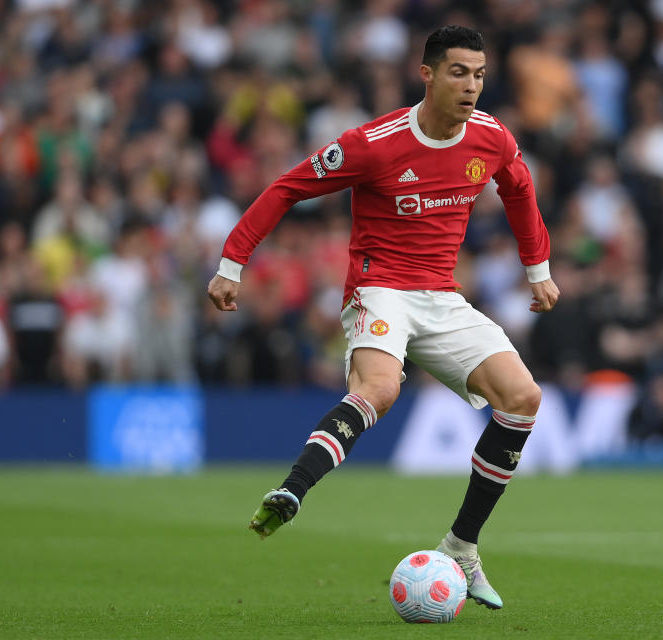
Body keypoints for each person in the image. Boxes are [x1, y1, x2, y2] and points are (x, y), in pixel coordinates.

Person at [207, 25, 559, 610]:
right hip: (380, 290)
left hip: (442, 298)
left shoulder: (491, 138)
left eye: (479, 74)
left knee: (523, 397)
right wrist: (232, 263)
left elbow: (520, 190)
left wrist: (538, 267)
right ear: (426, 74)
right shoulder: (374, 143)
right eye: (458, 72)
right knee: (380, 388)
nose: (471, 86)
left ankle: (462, 548)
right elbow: (288, 187)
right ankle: (292, 492)